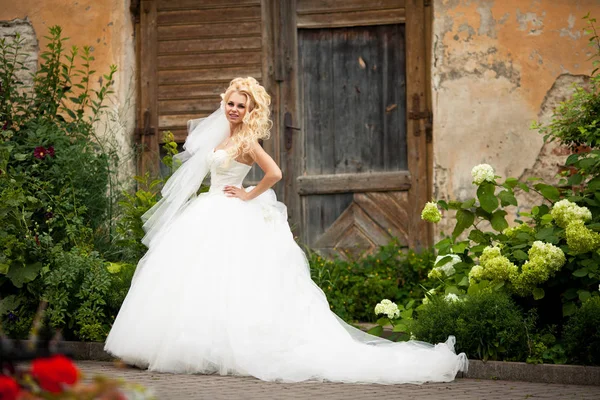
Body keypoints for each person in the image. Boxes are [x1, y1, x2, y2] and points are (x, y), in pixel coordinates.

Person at [104, 77, 467, 384]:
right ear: (224, 104)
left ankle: (228, 347)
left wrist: (248, 193)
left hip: (231, 208)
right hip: (210, 207)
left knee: (232, 280)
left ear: (250, 111)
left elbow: (274, 173)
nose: (233, 110)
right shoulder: (218, 136)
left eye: (240, 106)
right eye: (230, 103)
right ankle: (188, 344)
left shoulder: (247, 141)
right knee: (199, 279)